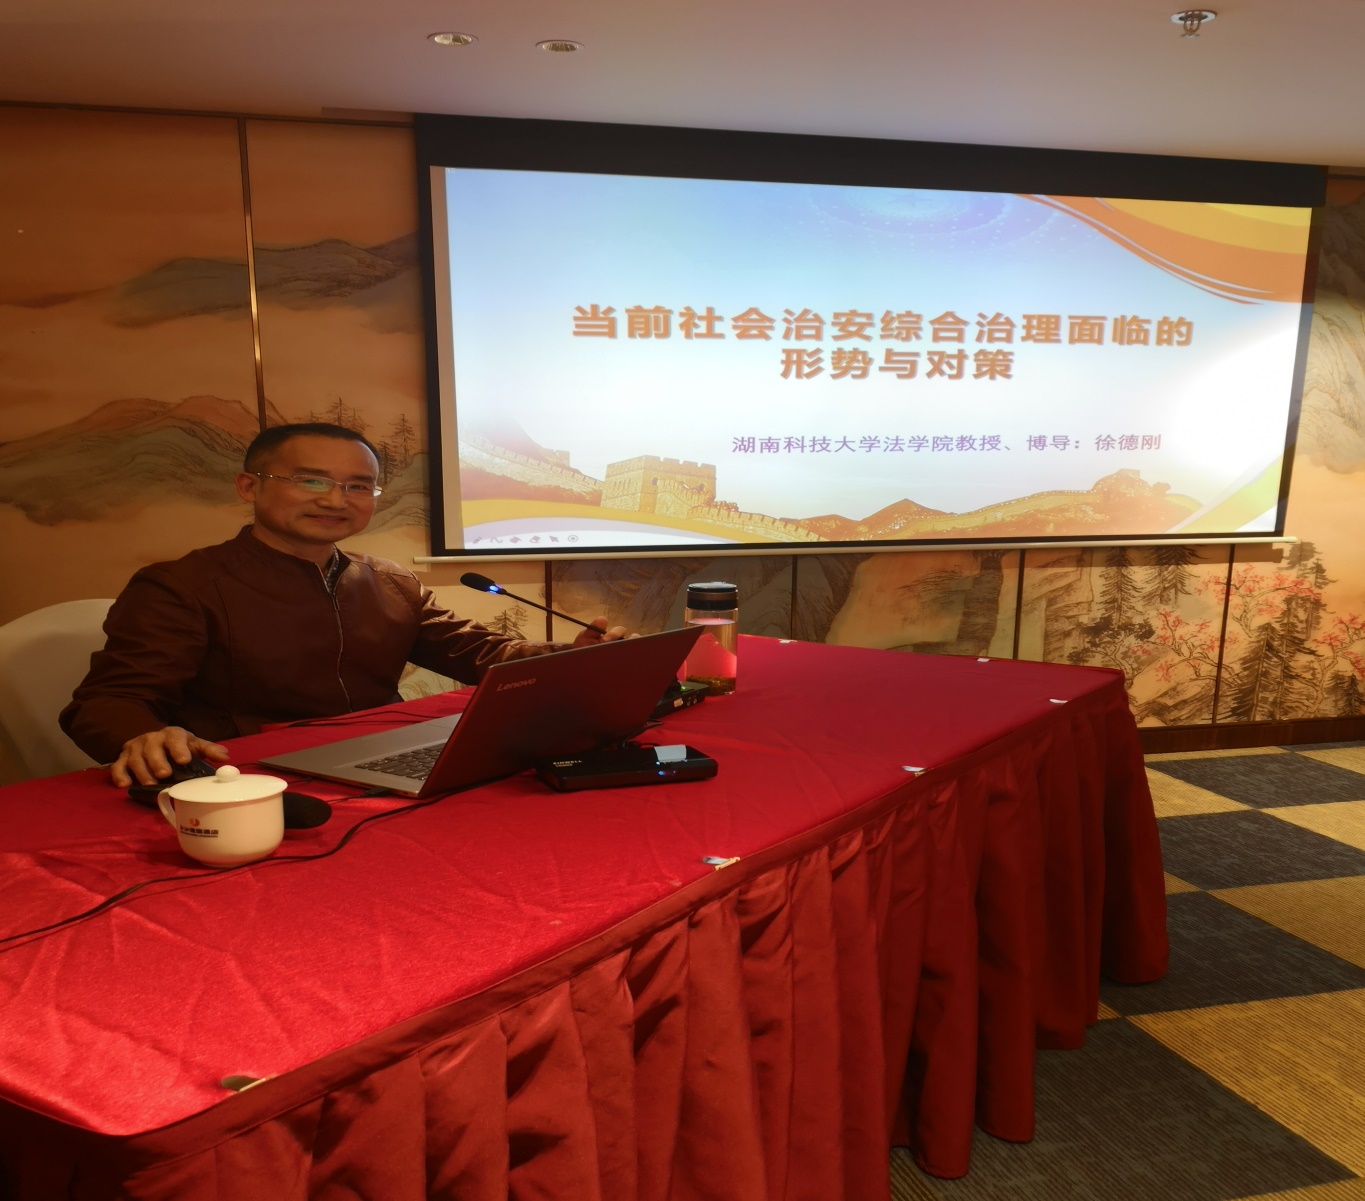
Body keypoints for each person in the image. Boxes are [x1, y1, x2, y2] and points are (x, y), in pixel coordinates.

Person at [60, 423, 626, 788]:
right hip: (254, 779)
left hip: (383, 768)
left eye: (359, 486)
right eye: (311, 481)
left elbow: (482, 653)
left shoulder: (389, 581)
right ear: (249, 487)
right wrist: (143, 734)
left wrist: (572, 655)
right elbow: (108, 700)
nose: (336, 500)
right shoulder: (183, 585)